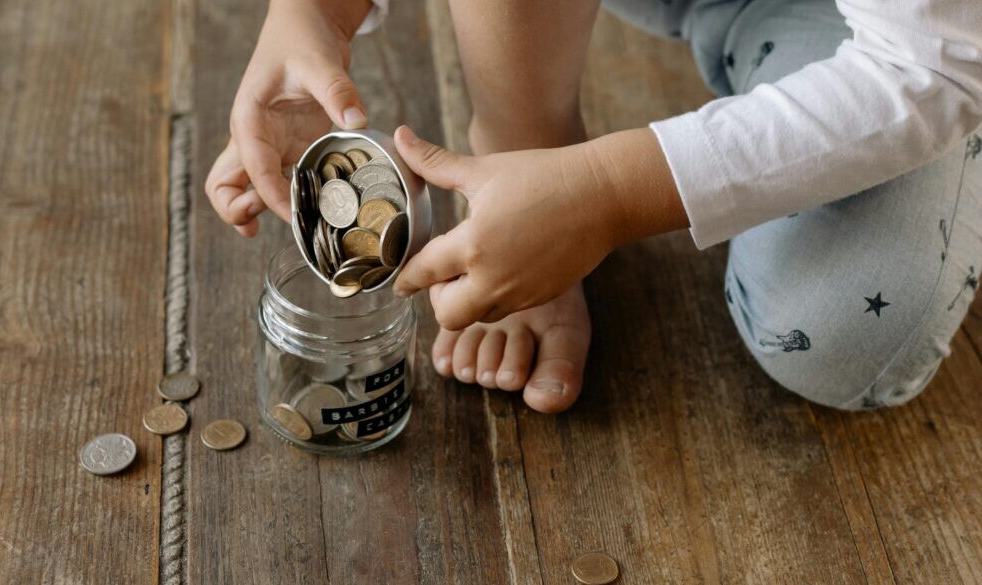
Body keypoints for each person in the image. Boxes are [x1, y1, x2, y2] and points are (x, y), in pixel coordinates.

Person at [205, 0, 982, 414]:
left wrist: (609, 192)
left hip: (926, 37)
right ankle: (525, 137)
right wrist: (315, 8)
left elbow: (930, 65)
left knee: (843, 332)